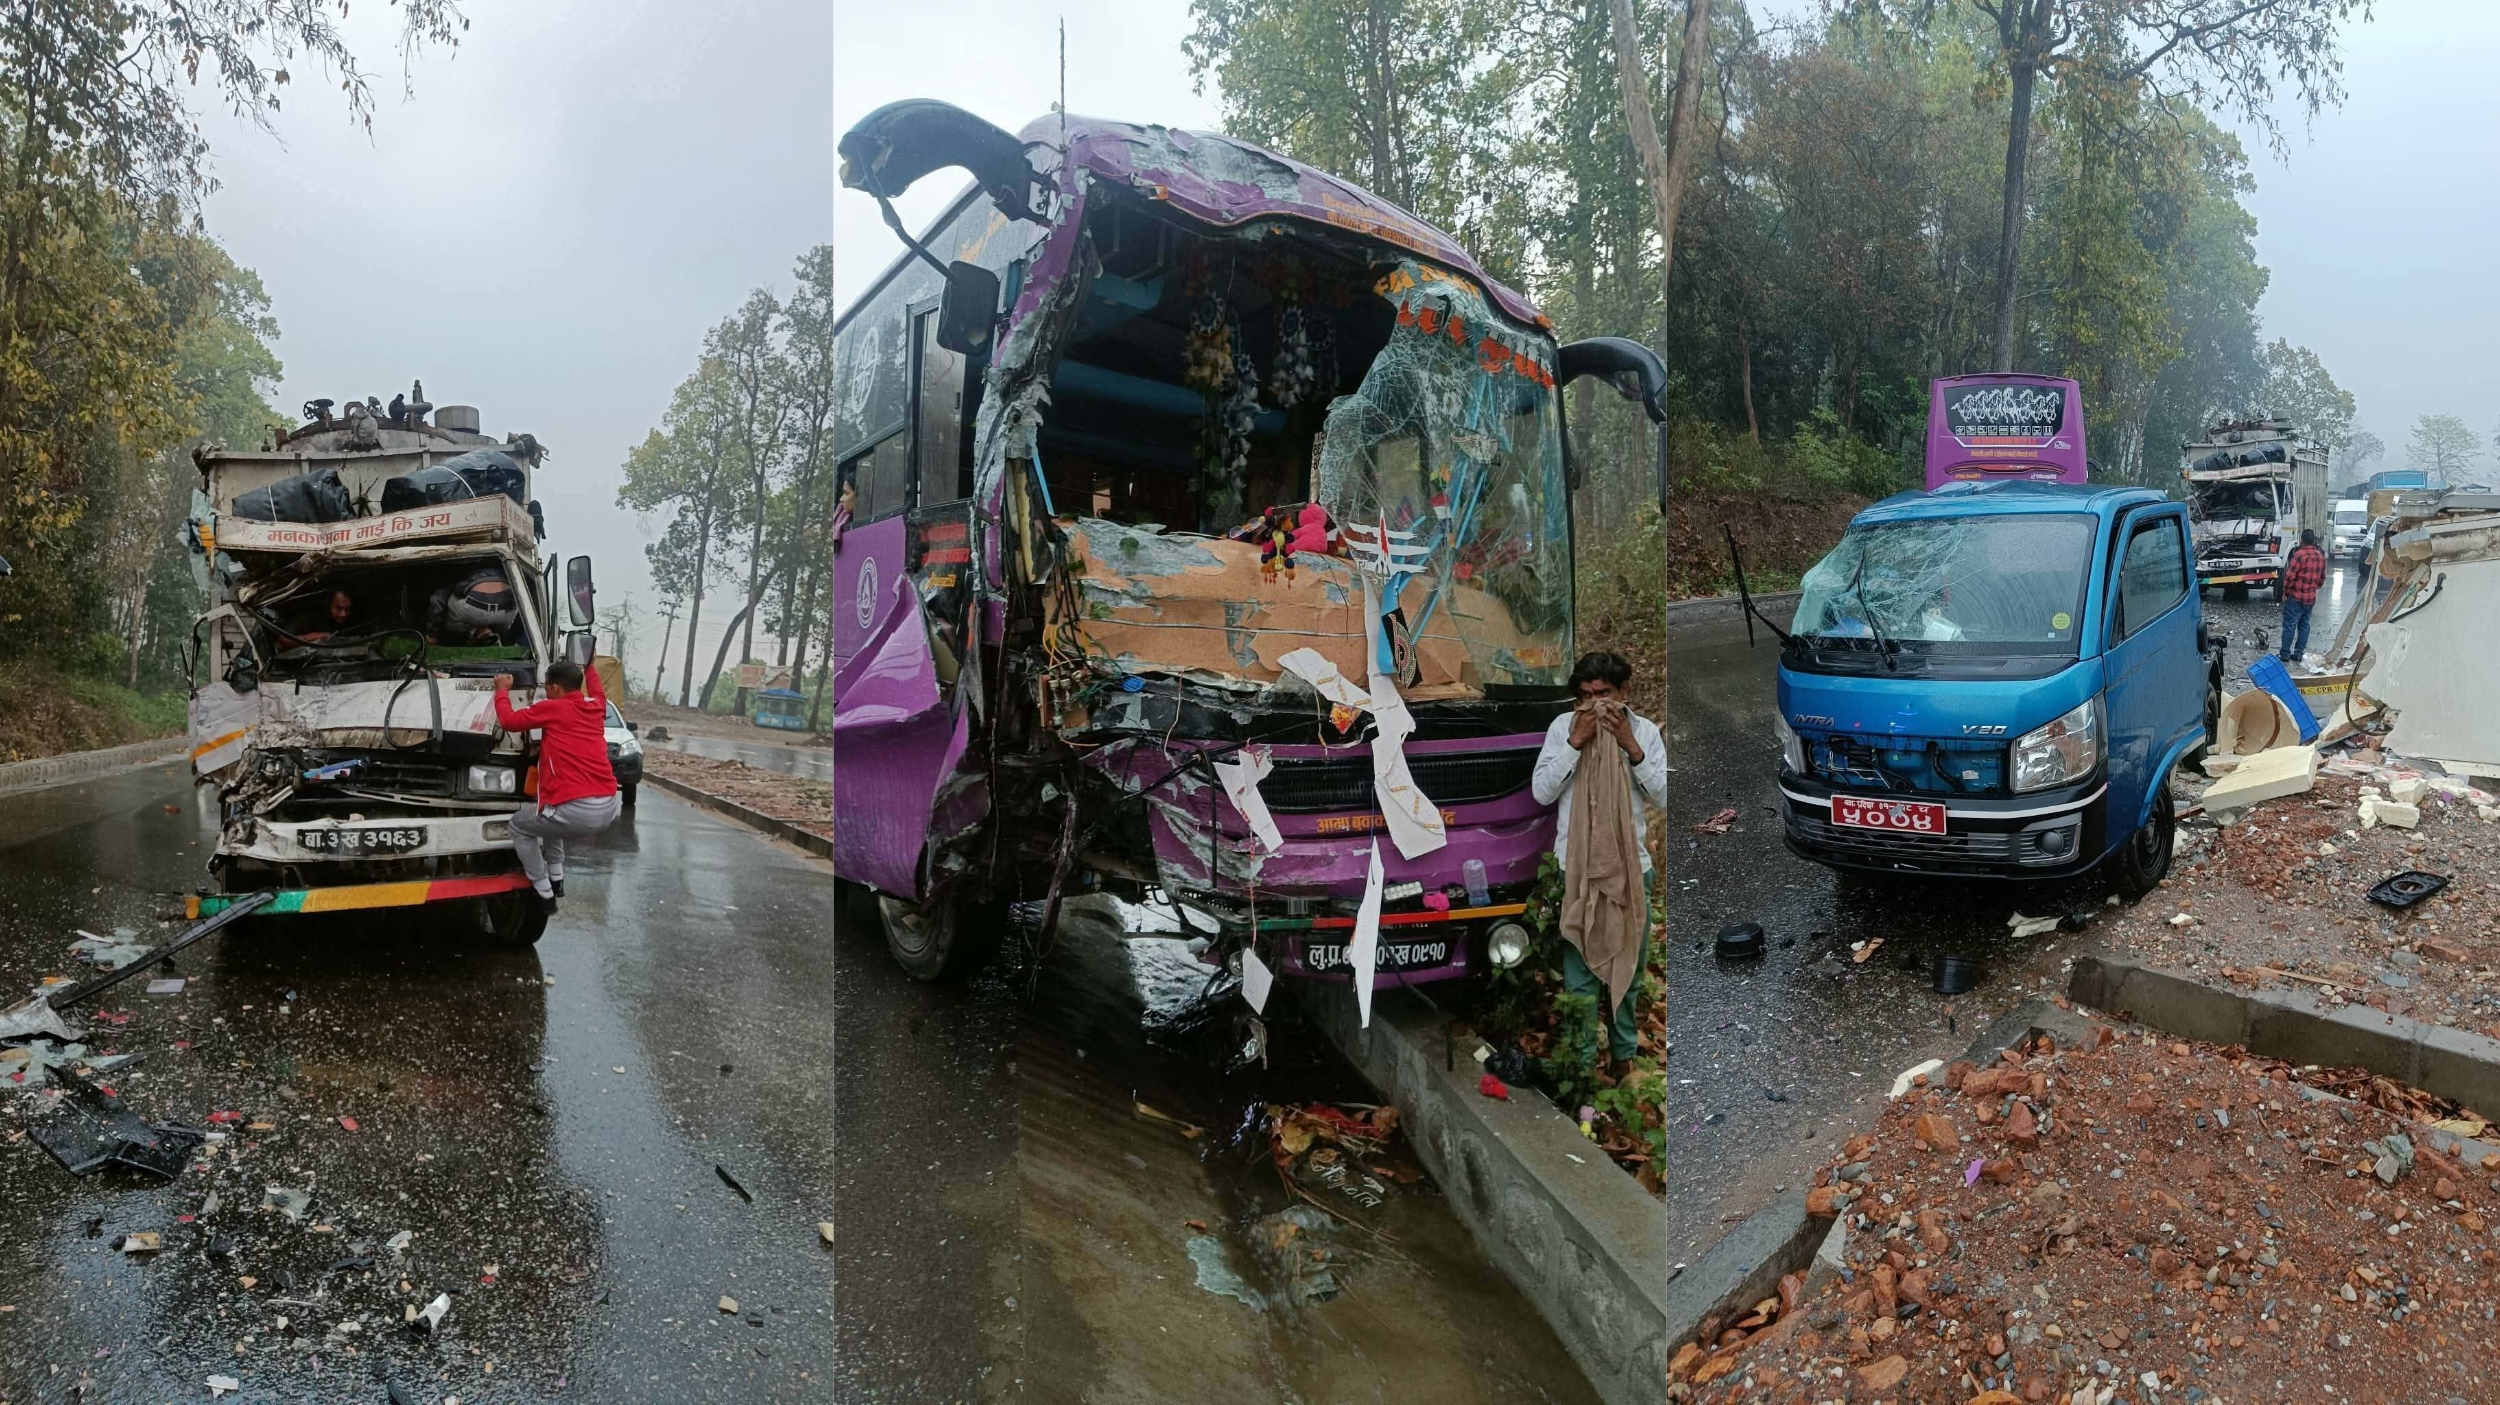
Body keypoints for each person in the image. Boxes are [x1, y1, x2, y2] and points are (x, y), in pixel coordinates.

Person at [1529, 651, 1670, 1080]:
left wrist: (1630, 746)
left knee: (1628, 967)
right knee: (1580, 976)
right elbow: (1541, 792)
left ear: (1623, 692)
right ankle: (1581, 1068)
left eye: (1603, 694)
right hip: (1575, 867)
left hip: (1630, 868)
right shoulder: (1563, 728)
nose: (1595, 704)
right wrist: (1576, 743)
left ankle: (1624, 1061)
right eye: (1586, 696)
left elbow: (1666, 797)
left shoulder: (1644, 732)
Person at [491, 661, 620, 916]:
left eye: (547, 687)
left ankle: (543, 891)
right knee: (549, 811)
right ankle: (557, 877)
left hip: (579, 810)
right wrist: (590, 666)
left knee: (519, 825)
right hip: (608, 805)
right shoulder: (595, 707)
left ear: (556, 688)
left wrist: (501, 691)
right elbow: (599, 692)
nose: (546, 691)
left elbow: (509, 721)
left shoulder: (552, 708)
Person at [2279, 528, 2328, 663]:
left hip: (2296, 597)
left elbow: (2290, 576)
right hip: (2310, 598)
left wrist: (2285, 592)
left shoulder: (2299, 555)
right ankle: (2299, 653)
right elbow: (2322, 578)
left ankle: (2285, 654)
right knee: (2304, 625)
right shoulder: (2320, 556)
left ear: (2302, 540)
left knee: (2289, 625)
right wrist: (2312, 589)